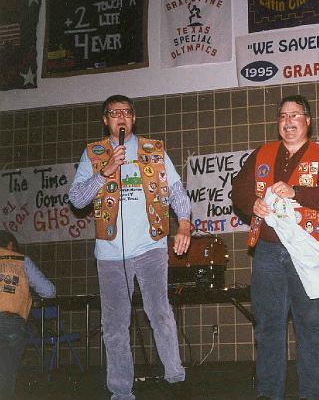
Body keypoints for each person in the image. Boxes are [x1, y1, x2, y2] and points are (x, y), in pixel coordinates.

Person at [68, 94, 191, 400]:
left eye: (126, 112)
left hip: (151, 246)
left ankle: (175, 376)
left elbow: (175, 190)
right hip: (111, 254)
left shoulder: (154, 149)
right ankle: (121, 391)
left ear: (133, 118)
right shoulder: (93, 154)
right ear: (105, 120)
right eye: (114, 113)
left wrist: (185, 224)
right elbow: (77, 198)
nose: (120, 118)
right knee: (114, 326)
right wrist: (106, 170)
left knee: (159, 311)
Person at [231, 94, 319, 400]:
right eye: (282, 116)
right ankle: (269, 393)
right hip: (268, 251)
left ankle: (310, 395)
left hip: (310, 251)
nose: (288, 121)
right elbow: (238, 191)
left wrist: (297, 191)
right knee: (268, 326)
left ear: (307, 121)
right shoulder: (263, 153)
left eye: (294, 115)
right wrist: (251, 203)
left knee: (311, 326)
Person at [0, 230, 56, 398]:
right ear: (10, 244)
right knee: (7, 372)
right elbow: (49, 291)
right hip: (12, 322)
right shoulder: (22, 261)